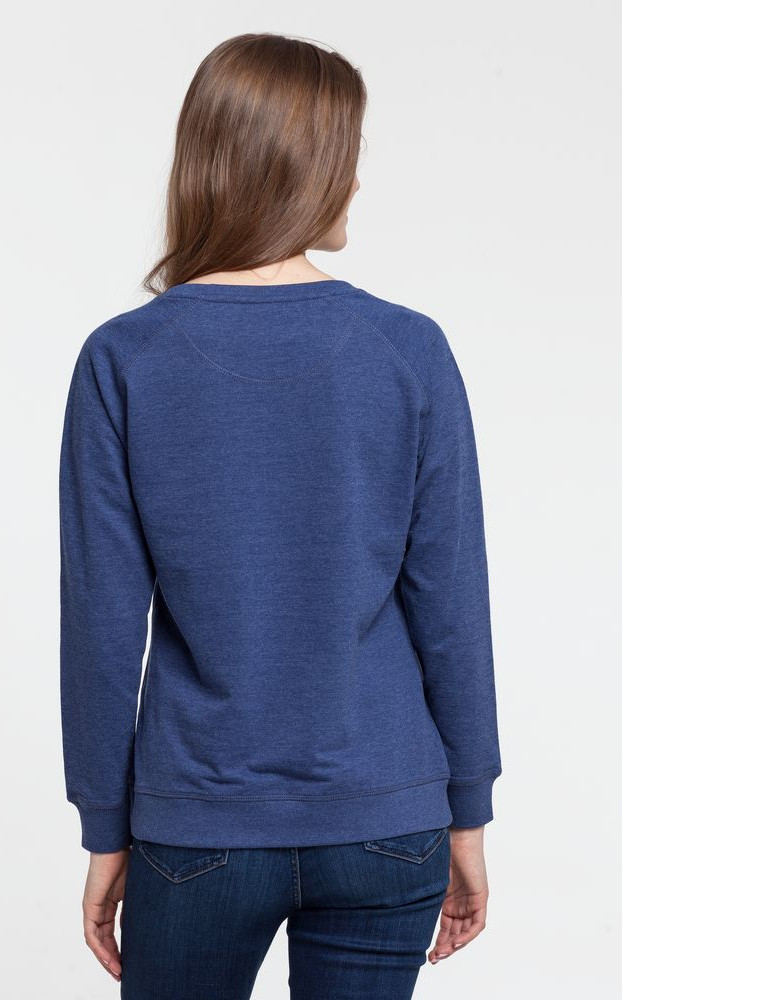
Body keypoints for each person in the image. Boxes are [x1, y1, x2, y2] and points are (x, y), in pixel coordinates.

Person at [58, 31, 502, 1000]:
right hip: (387, 819)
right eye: (347, 156)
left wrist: (105, 829)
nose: (356, 182)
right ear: (302, 169)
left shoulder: (124, 360)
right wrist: (467, 810)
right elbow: (452, 606)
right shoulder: (409, 351)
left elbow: (101, 625)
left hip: (200, 824)